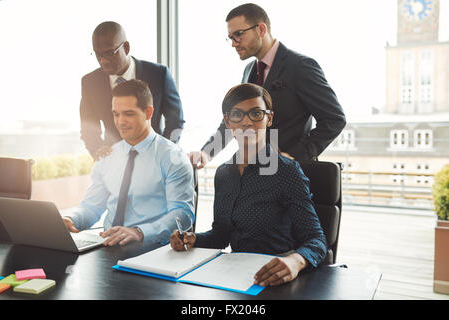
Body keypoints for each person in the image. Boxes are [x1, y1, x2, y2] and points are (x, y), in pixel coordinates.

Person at [171, 83, 327, 287]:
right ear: (228, 121)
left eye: (256, 114)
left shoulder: (287, 171)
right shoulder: (223, 174)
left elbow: (317, 239)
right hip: (235, 275)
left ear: (268, 118)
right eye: (237, 115)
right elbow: (221, 235)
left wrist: (295, 261)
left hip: (276, 275)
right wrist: (193, 240)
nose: (246, 122)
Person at [190, 3, 346, 168]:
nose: (234, 43)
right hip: (257, 172)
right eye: (230, 38)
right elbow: (234, 118)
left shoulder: (300, 66)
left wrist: (295, 155)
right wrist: (206, 152)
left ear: (261, 30)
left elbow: (334, 119)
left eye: (238, 35)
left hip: (291, 175)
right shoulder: (249, 70)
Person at [64, 79, 194, 247]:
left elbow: (182, 215)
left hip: (151, 249)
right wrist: (70, 219)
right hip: (107, 246)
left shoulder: (172, 157)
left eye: (128, 114)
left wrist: (139, 231)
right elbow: (91, 207)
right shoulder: (107, 157)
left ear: (148, 113)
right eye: (116, 114)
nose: (120, 121)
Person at [80, 21, 184, 161]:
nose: (103, 60)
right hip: (113, 165)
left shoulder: (159, 74)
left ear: (126, 48)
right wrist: (99, 152)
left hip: (155, 161)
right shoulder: (90, 83)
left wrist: (164, 152)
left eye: (109, 53)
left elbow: (176, 121)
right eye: (98, 54)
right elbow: (88, 128)